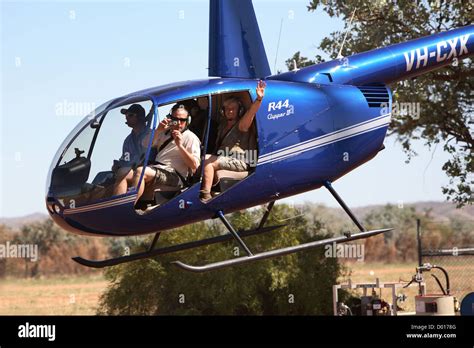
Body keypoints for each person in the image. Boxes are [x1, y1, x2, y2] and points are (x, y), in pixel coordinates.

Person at [199, 80, 266, 202]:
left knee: (208, 161)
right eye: (227, 109)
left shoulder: (242, 126)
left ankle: (205, 195)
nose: (230, 111)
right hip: (224, 159)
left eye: (233, 109)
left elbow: (251, 114)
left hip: (239, 161)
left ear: (239, 110)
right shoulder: (222, 126)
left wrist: (258, 100)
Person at [132, 104, 201, 202]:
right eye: (175, 119)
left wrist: (180, 146)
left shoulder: (190, 137)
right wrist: (158, 130)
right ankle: (118, 210)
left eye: (182, 120)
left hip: (175, 175)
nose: (178, 123)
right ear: (170, 119)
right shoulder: (164, 133)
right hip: (157, 169)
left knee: (140, 172)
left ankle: (129, 208)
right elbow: (145, 144)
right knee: (125, 174)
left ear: (187, 121)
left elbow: (194, 166)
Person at [113, 104, 150, 196]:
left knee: (122, 172)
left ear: (140, 117)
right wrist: (117, 165)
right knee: (102, 177)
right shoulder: (128, 140)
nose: (126, 118)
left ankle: (120, 206)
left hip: (144, 170)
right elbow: (125, 159)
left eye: (130, 115)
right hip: (130, 170)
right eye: (126, 115)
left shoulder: (152, 135)